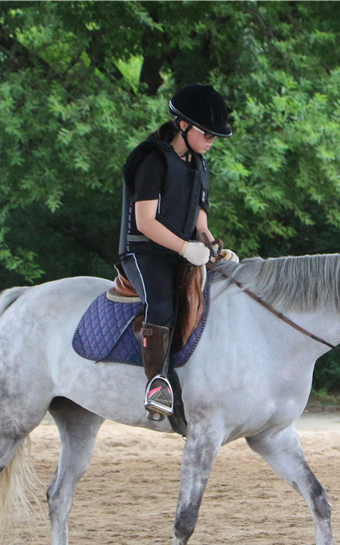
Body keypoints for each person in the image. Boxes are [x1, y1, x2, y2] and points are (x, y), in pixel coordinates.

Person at [118, 83, 236, 420]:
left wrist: (210, 244)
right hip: (144, 253)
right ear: (183, 126)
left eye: (215, 134)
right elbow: (145, 221)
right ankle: (157, 384)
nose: (212, 139)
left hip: (184, 252)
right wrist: (186, 247)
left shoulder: (198, 162)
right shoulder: (151, 160)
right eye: (207, 132)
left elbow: (199, 216)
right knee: (162, 302)